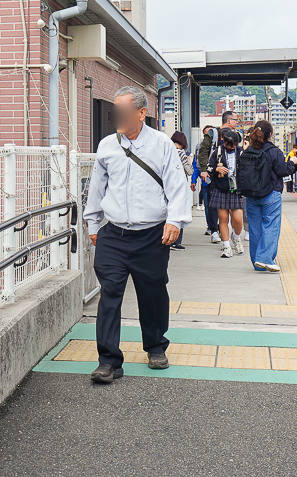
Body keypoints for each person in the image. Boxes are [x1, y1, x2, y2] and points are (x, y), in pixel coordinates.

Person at [84, 86, 191, 384]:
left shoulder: (161, 144)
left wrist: (175, 221)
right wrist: (93, 224)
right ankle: (108, 361)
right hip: (114, 234)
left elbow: (177, 184)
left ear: (141, 113)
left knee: (152, 293)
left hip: (152, 235)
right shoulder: (107, 146)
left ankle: (155, 346)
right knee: (109, 295)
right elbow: (96, 188)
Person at [240, 120, 297, 273]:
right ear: (270, 134)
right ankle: (265, 259)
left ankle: (257, 262)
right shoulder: (274, 151)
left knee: (255, 229)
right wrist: (292, 163)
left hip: (251, 195)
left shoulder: (248, 151)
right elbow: (282, 170)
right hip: (270, 194)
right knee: (271, 226)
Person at [208, 129, 246, 258]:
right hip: (221, 188)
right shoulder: (218, 151)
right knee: (223, 218)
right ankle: (226, 246)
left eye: (233, 145)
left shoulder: (241, 152)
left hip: (237, 188)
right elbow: (209, 167)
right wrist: (216, 169)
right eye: (228, 144)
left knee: (238, 219)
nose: (230, 147)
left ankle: (236, 237)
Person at [170, 131, 191, 251]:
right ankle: (176, 241)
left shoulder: (167, 150)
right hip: (179, 186)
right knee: (179, 213)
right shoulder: (181, 153)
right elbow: (189, 171)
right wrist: (188, 161)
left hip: (167, 185)